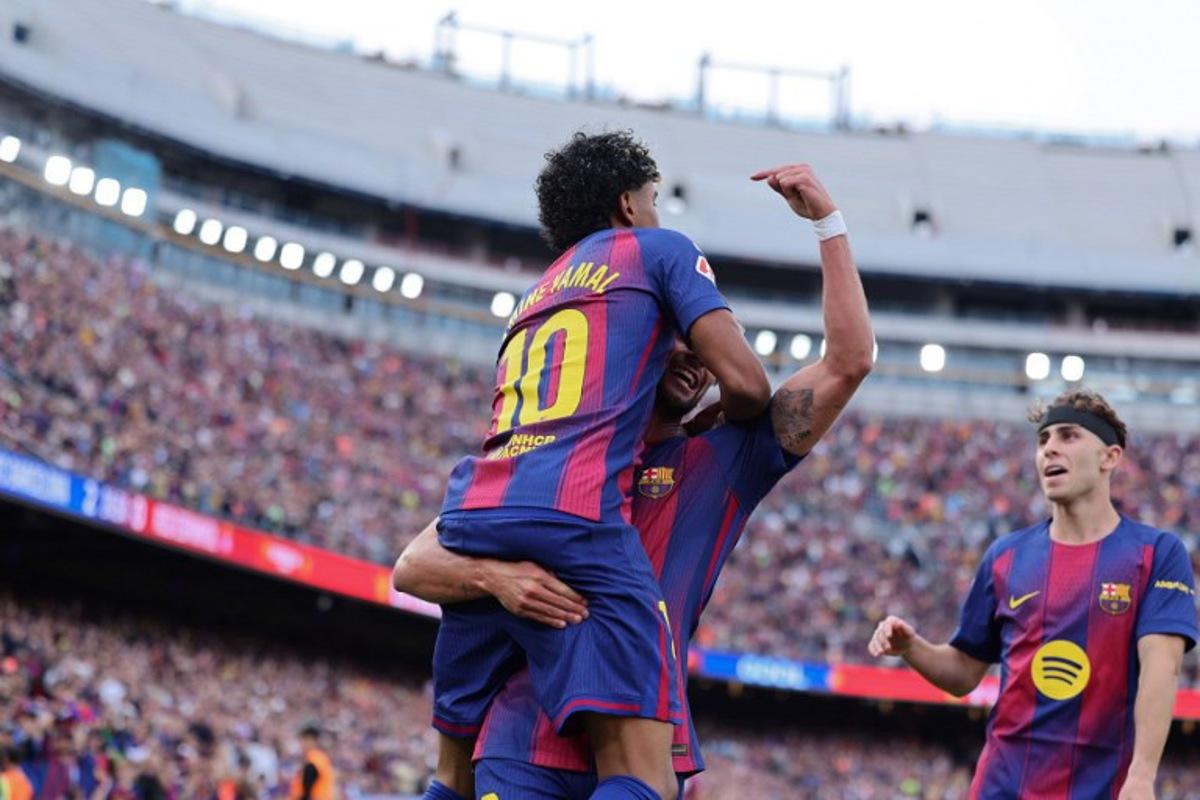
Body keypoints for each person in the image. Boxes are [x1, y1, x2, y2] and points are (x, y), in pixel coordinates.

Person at [397, 163, 871, 799]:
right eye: (678, 333)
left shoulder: (728, 455)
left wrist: (828, 226)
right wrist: (498, 580)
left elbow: (848, 362)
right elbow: (416, 564)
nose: (694, 355)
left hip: (644, 735)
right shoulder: (551, 456)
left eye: (704, 345)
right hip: (523, 743)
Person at [429, 130, 773, 800]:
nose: (659, 214)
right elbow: (753, 387)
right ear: (628, 205)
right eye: (654, 200)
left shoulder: (534, 295)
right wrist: (721, 409)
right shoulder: (659, 251)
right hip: (578, 512)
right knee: (648, 772)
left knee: (451, 770)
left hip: (477, 512)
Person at [868, 390, 1199, 800]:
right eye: (1043, 441)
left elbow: (1160, 668)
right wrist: (912, 647)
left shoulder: (1156, 554)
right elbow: (964, 673)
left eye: (1068, 436)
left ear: (1109, 457)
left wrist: (1142, 775)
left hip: (1101, 789)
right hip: (1001, 786)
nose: (1050, 449)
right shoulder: (1005, 558)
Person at [288, 726, 337, 800]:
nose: (301, 744)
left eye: (303, 740)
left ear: (311, 740)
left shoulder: (315, 759)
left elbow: (307, 789)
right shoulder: (319, 758)